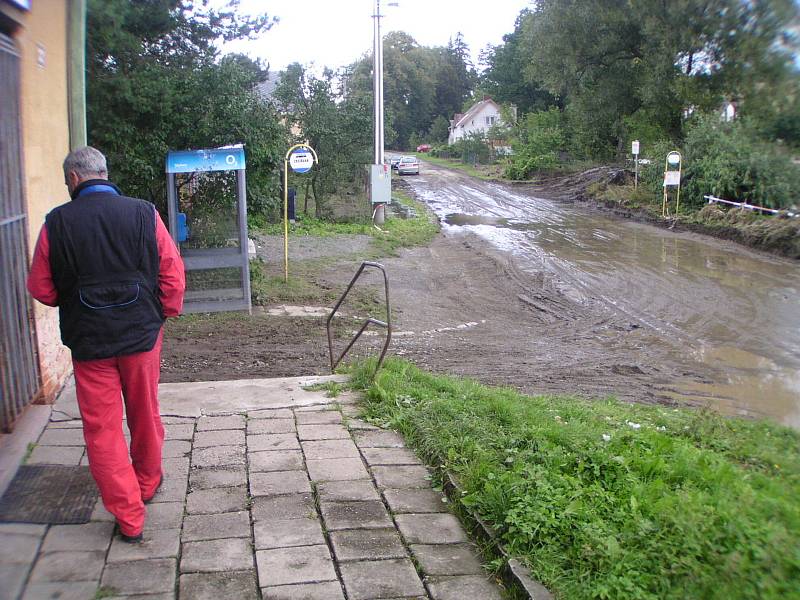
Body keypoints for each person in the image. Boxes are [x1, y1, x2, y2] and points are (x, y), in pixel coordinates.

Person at [27, 146, 185, 543]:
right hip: (141, 337)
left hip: (89, 344)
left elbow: (41, 288)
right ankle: (147, 484)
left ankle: (129, 517)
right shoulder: (142, 212)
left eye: (67, 181)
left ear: (75, 179)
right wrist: (160, 315)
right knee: (145, 412)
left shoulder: (56, 222)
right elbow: (172, 274)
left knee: (102, 431)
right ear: (103, 173)